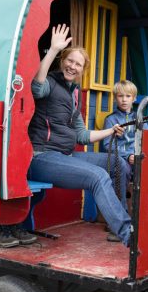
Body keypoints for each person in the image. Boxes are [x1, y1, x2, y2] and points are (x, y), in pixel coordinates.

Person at [25, 23, 131, 246]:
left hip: (65, 155)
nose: (73, 66)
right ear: (62, 61)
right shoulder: (51, 83)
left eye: (78, 64)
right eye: (70, 61)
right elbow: (36, 88)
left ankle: (117, 223)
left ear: (83, 70)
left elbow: (82, 135)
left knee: (118, 164)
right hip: (41, 156)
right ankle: (129, 234)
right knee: (97, 176)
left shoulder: (75, 95)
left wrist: (110, 131)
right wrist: (53, 49)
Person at [102, 80, 148, 206]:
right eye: (120, 96)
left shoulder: (140, 119)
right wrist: (128, 156)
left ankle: (146, 209)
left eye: (128, 96)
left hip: (139, 158)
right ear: (115, 98)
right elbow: (107, 145)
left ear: (133, 99)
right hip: (122, 159)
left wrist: (138, 155)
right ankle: (120, 211)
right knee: (123, 171)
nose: (124, 100)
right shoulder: (111, 120)